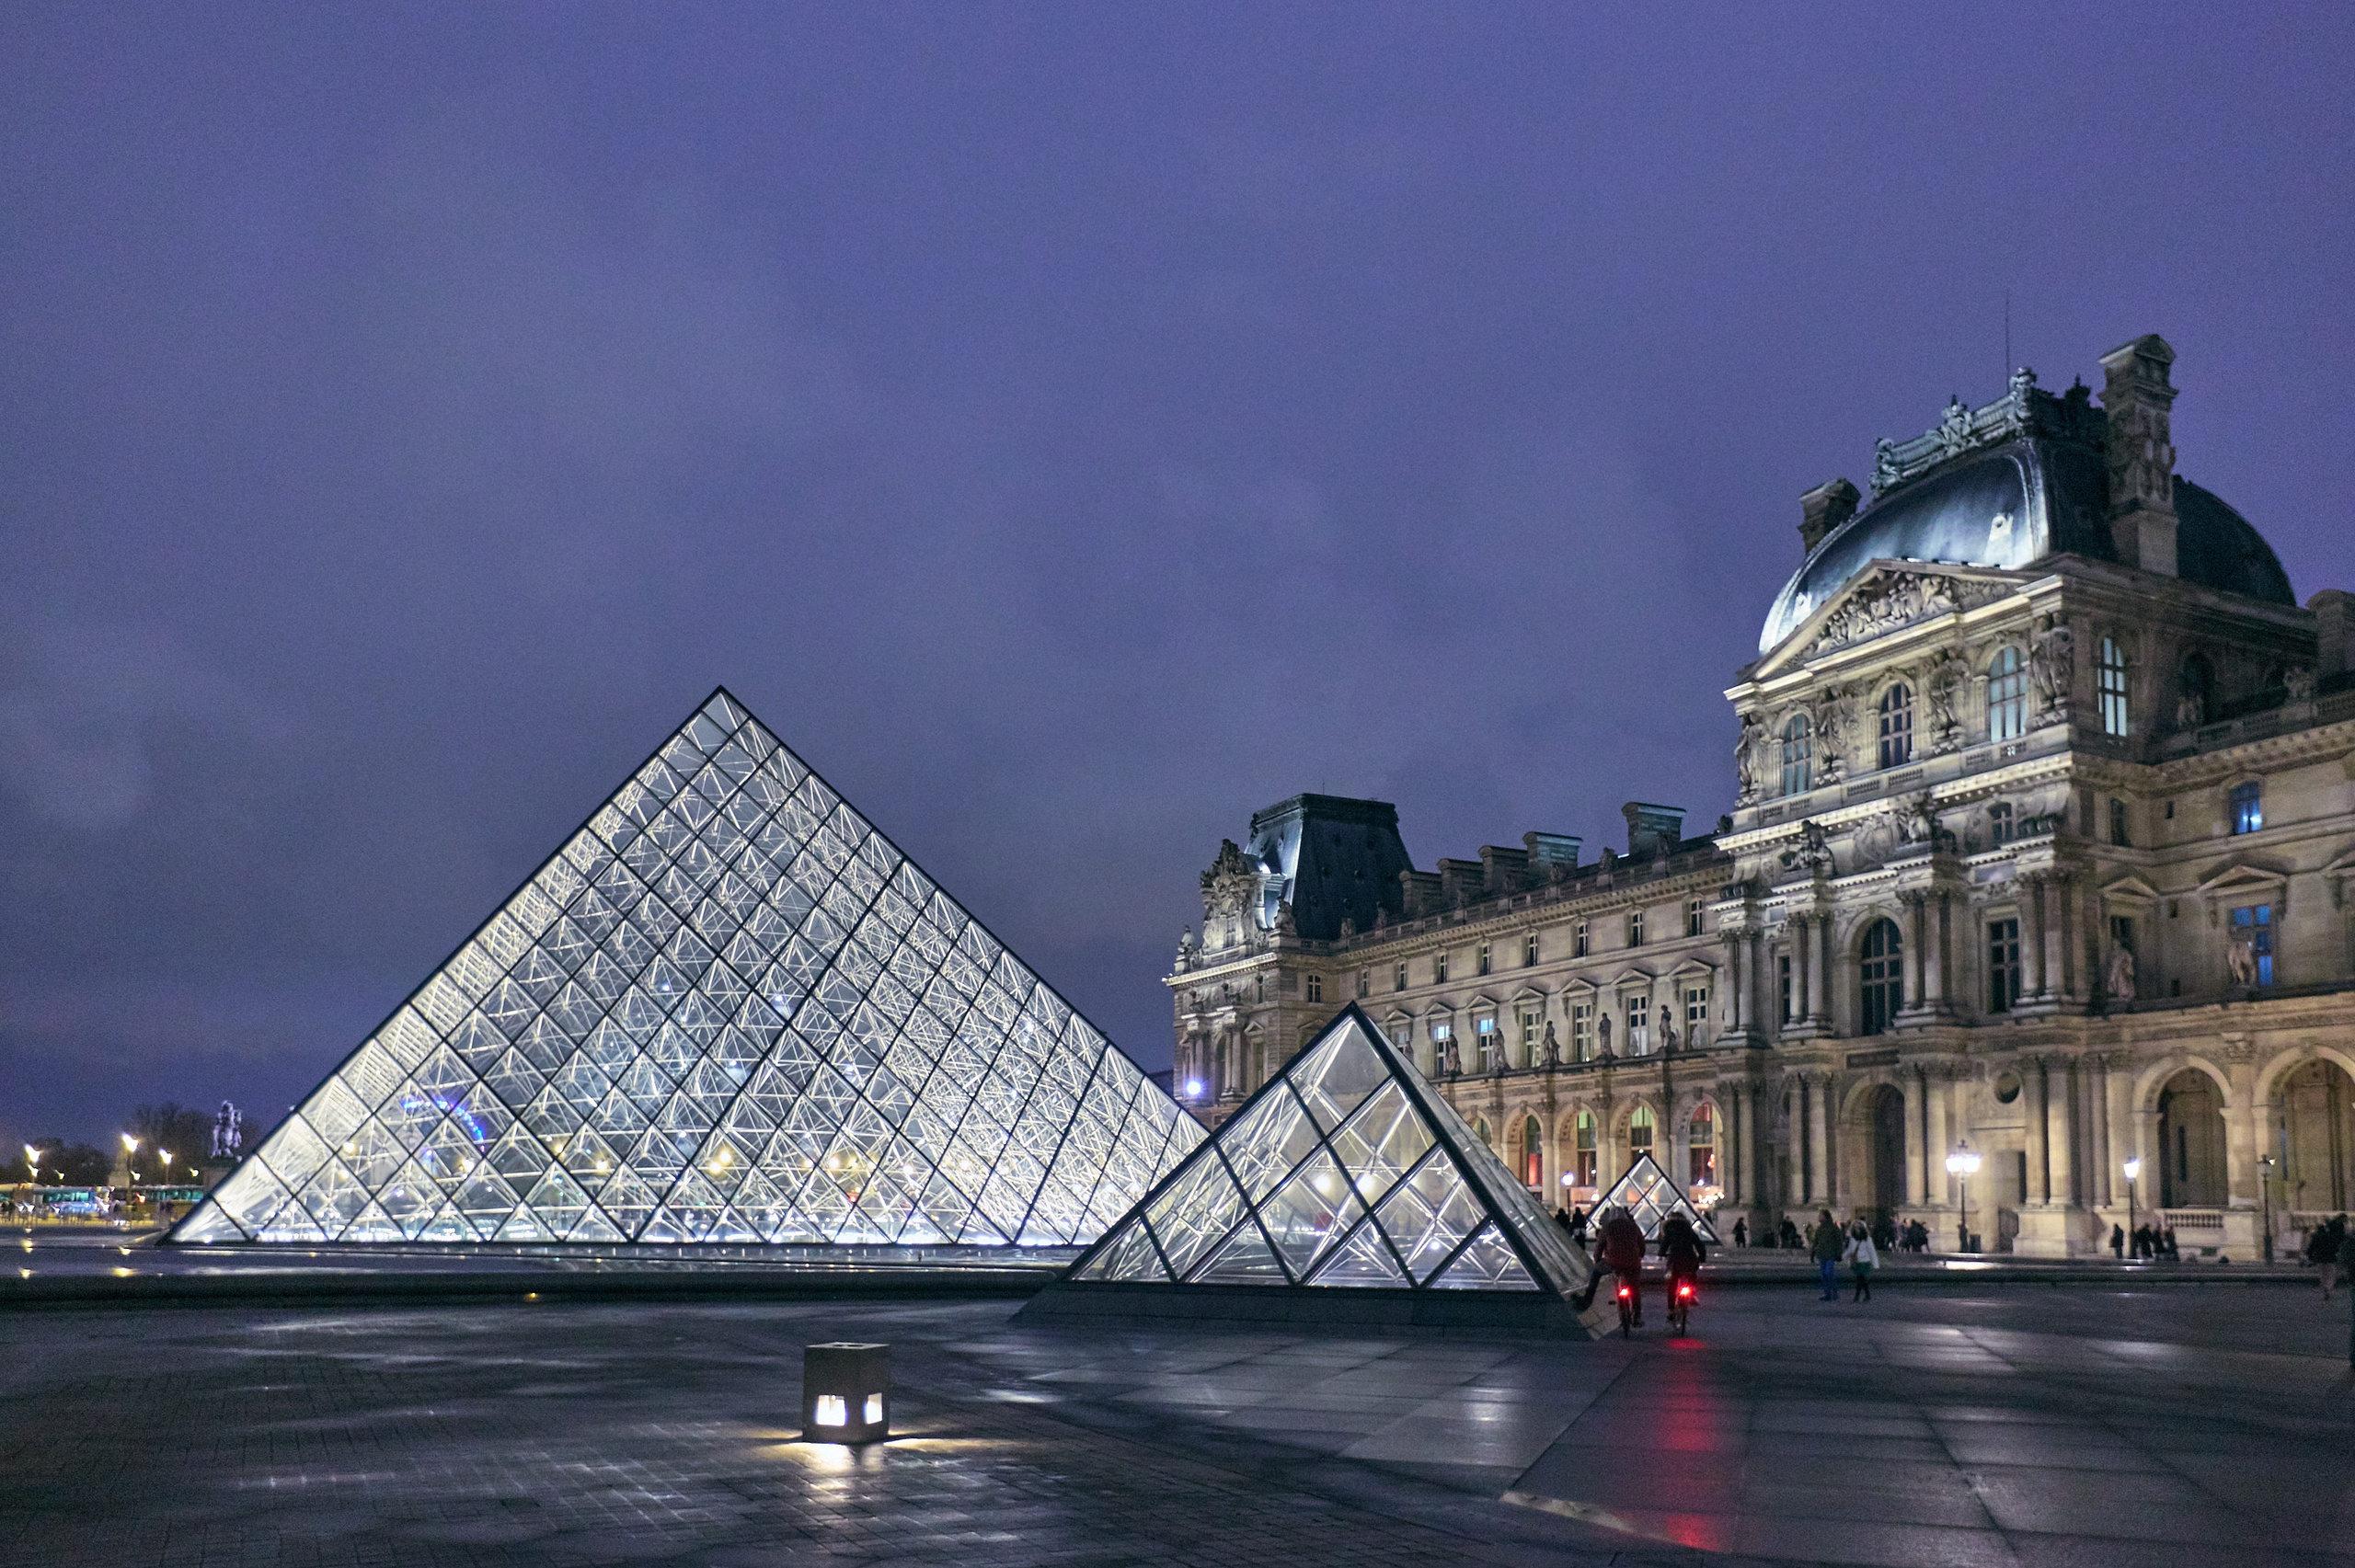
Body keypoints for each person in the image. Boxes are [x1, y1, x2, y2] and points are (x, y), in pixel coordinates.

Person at [1596, 1206, 1648, 1324]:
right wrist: (1640, 1255)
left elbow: (1599, 1247)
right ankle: (1637, 1316)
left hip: (1613, 1263)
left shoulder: (1607, 1228)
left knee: (1613, 1283)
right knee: (1635, 1288)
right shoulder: (1633, 1227)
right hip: (1632, 1262)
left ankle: (1589, 1299)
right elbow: (1642, 1244)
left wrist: (1598, 1260)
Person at [1660, 1211, 1706, 1313]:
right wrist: (1702, 1257)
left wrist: (1661, 1253)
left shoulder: (1670, 1230)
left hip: (1675, 1258)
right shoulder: (1689, 1230)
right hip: (1689, 1257)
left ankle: (1671, 1310)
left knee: (1673, 1284)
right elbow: (1699, 1244)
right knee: (1692, 1274)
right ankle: (1692, 1294)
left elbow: (1665, 1244)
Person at [1810, 1208, 1843, 1301]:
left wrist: (1839, 1254)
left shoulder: (1833, 1228)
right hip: (1822, 1255)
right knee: (1824, 1275)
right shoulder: (1819, 1229)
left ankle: (1834, 1292)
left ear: (1825, 1216)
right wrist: (1813, 1253)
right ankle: (1828, 1293)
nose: (1819, 1217)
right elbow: (1816, 1242)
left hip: (1830, 1255)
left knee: (1828, 1273)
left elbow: (1839, 1241)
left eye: (1821, 1215)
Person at [1844, 1219, 1878, 1301]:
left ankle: (1858, 1295)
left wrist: (1875, 1264)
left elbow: (1872, 1251)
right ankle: (1866, 1295)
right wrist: (1844, 1256)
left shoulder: (1867, 1239)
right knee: (1861, 1279)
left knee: (1860, 1279)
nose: (1856, 1229)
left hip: (1864, 1262)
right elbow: (1851, 1250)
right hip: (1857, 1262)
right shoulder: (1855, 1238)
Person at [2311, 1217, 2343, 1301]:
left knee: (2322, 1274)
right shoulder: (2330, 1237)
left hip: (2320, 1259)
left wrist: (2311, 1256)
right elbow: (2336, 1247)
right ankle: (2328, 1288)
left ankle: (2324, 1286)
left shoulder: (2316, 1237)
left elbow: (2311, 1247)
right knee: (2331, 1275)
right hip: (2331, 1259)